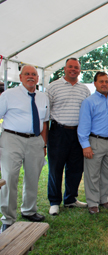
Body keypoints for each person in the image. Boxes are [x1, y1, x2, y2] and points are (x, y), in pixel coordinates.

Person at [0, 65, 49, 233]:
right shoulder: (8, 95)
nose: (31, 77)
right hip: (12, 138)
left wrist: (43, 143)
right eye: (27, 74)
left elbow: (44, 122)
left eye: (34, 74)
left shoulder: (43, 97)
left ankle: (29, 210)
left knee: (32, 176)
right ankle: (8, 218)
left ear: (38, 78)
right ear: (20, 77)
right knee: (10, 177)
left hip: (35, 140)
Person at [46, 58, 91, 216]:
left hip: (78, 133)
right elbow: (46, 113)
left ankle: (70, 198)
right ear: (65, 68)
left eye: (76, 67)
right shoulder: (53, 87)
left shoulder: (84, 89)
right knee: (55, 168)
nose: (73, 69)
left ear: (80, 70)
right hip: (58, 132)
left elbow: (87, 113)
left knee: (76, 168)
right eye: (70, 67)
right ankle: (54, 201)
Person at [78, 72, 108, 214]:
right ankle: (93, 202)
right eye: (101, 81)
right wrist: (85, 145)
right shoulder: (89, 102)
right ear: (95, 83)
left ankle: (104, 199)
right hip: (94, 141)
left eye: (106, 81)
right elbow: (83, 125)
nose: (104, 84)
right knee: (93, 174)